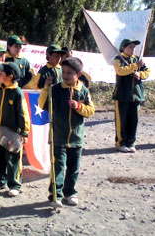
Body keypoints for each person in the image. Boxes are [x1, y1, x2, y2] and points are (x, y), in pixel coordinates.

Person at [38, 57, 95, 208]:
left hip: (76, 138)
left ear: (79, 73)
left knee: (74, 168)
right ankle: (55, 195)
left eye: (70, 73)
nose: (66, 75)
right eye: (64, 72)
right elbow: (43, 105)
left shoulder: (83, 91)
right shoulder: (55, 89)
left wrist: (78, 107)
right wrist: (45, 88)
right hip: (59, 137)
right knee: (58, 167)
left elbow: (90, 111)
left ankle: (70, 193)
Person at [0, 62, 30, 197]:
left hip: (13, 135)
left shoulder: (17, 93)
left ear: (10, 77)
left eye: (1, 73)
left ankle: (15, 184)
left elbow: (23, 114)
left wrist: (24, 132)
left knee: (13, 159)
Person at [112, 39, 150, 153]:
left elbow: (147, 71)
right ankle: (121, 143)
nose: (133, 49)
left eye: (134, 47)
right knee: (121, 121)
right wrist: (134, 66)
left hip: (136, 95)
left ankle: (131, 143)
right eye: (130, 47)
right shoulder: (118, 59)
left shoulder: (138, 59)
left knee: (134, 120)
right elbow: (120, 71)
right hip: (122, 94)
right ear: (124, 48)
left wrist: (140, 74)